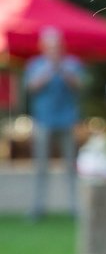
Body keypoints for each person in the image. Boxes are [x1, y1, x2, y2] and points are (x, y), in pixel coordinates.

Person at [24, 27, 83, 221]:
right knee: (41, 166)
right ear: (43, 47)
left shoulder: (72, 64)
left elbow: (79, 86)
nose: (54, 49)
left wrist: (62, 70)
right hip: (43, 120)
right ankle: (37, 209)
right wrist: (49, 70)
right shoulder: (35, 65)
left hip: (67, 119)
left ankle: (75, 208)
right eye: (50, 46)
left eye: (56, 46)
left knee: (70, 166)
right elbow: (31, 87)